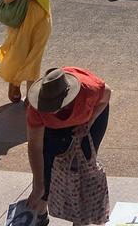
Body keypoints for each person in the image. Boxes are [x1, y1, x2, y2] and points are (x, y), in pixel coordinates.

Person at [25, 66, 112, 219]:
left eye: (54, 106)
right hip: (53, 127)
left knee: (82, 166)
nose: (50, 110)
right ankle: (40, 214)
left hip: (87, 118)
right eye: (47, 106)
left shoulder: (89, 90)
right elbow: (35, 146)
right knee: (47, 167)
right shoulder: (36, 108)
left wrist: (89, 122)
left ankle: (81, 218)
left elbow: (107, 96)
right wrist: (39, 185)